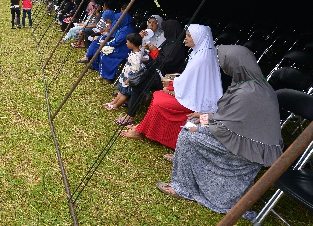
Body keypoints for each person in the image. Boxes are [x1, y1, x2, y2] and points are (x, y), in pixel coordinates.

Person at [157, 45, 283, 222]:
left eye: (224, 63)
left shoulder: (249, 92)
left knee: (189, 134)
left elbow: (227, 127)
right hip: (242, 138)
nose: (223, 67)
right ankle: (185, 159)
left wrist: (203, 125)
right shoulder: (249, 83)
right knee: (195, 122)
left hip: (248, 152)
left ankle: (182, 188)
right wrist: (206, 118)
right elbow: (232, 118)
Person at [120, 24, 223, 149]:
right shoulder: (200, 53)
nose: (186, 38)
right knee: (158, 95)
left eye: (190, 36)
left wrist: (173, 86)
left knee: (159, 100)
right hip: (192, 95)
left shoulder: (201, 58)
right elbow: (192, 81)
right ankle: (142, 128)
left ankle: (141, 130)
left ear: (199, 38)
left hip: (196, 102)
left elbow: (190, 82)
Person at [114, 20, 188, 126]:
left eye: (165, 29)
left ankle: (130, 116)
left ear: (170, 30)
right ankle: (128, 101)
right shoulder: (171, 42)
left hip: (164, 77)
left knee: (138, 84)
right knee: (136, 77)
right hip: (157, 70)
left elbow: (166, 62)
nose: (163, 31)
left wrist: (154, 51)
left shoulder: (176, 46)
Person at [104, 32, 146, 110]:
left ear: (132, 44)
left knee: (125, 94)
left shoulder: (136, 56)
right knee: (122, 91)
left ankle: (116, 105)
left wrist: (129, 79)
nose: (126, 43)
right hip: (126, 75)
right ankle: (114, 102)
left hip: (129, 77)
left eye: (127, 42)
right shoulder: (135, 53)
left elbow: (135, 69)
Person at [98, 7, 137, 81]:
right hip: (120, 48)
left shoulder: (126, 30)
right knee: (103, 53)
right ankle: (105, 74)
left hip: (124, 51)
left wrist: (106, 43)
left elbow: (117, 42)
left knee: (105, 55)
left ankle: (109, 76)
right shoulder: (123, 27)